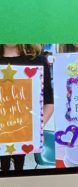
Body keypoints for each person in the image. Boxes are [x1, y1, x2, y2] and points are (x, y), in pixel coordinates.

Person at [0, 44, 54, 172]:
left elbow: (49, 103)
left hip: (23, 133)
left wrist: (35, 129)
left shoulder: (37, 61)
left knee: (18, 170)